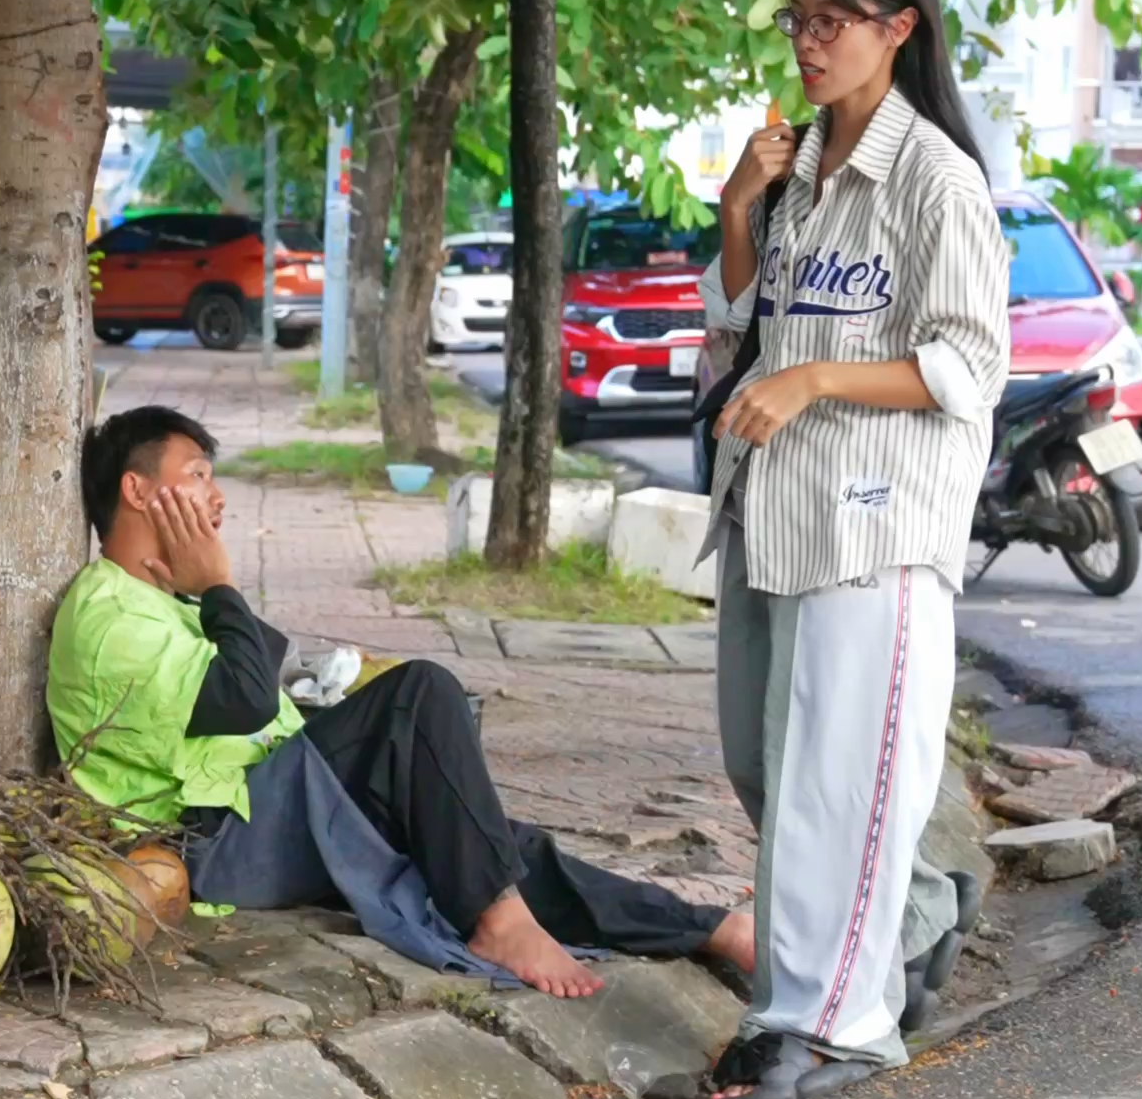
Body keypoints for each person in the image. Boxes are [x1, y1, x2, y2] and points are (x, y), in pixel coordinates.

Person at [46, 407, 754, 999]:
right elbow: (246, 701)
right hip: (217, 840)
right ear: (139, 493)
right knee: (419, 696)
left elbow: (257, 665)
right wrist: (221, 586)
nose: (217, 497)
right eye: (197, 477)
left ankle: (708, 928)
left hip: (264, 796)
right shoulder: (109, 616)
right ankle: (501, 919)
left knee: (481, 837)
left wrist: (203, 593)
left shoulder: (161, 595)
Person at [700, 0, 1010, 1099]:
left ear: (899, 29)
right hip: (772, 507)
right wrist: (739, 210)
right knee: (763, 761)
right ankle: (917, 912)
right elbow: (740, 343)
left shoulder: (934, 181)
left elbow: (969, 367)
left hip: (873, 520)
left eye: (833, 20)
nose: (809, 41)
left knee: (836, 776)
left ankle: (823, 1025)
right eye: (797, 16)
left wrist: (819, 379)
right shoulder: (799, 174)